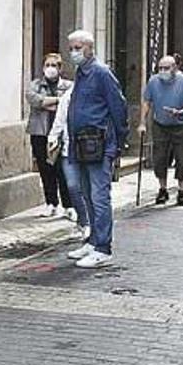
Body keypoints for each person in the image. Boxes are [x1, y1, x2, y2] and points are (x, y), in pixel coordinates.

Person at [62, 30, 128, 269]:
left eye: (78, 48)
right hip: (80, 142)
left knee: (99, 196)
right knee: (87, 193)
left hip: (99, 142)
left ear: (90, 48)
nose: (73, 53)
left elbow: (118, 106)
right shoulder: (81, 73)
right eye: (71, 48)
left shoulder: (101, 73)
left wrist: (120, 140)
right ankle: (92, 241)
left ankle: (103, 247)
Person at [139, 56, 183, 206]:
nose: (162, 71)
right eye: (160, 68)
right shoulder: (153, 81)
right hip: (160, 124)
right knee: (159, 158)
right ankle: (162, 189)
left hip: (180, 125)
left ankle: (182, 191)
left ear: (174, 68)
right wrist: (142, 123)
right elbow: (147, 102)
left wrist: (179, 111)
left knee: (182, 158)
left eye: (166, 68)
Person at [26, 53, 75, 219]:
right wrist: (57, 101)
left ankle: (69, 205)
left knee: (63, 170)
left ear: (60, 68)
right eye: (47, 65)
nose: (50, 69)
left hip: (61, 134)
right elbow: (34, 100)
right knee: (45, 170)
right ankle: (51, 203)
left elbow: (71, 102)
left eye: (54, 65)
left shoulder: (68, 85)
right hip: (40, 133)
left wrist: (48, 102)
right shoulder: (36, 84)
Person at [47, 68, 90, 240]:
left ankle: (88, 221)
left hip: (90, 149)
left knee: (88, 188)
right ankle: (84, 221)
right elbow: (60, 119)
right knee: (72, 186)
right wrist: (52, 138)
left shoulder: (95, 96)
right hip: (69, 150)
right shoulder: (68, 97)